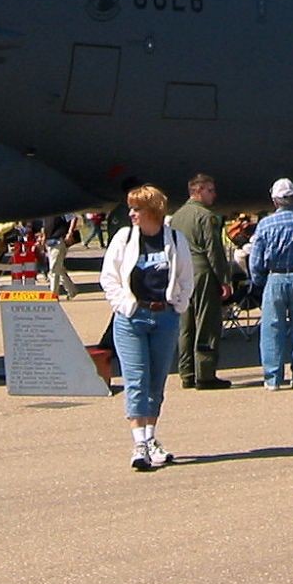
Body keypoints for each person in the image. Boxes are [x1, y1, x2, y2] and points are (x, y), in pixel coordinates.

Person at [100, 185, 193, 472]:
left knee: (156, 382)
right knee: (136, 379)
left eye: (137, 209)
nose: (131, 214)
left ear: (152, 211)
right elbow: (109, 277)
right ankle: (138, 443)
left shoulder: (175, 239)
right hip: (132, 318)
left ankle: (151, 438)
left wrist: (178, 304)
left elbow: (186, 277)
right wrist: (123, 305)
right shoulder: (124, 238)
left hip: (163, 317)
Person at [246, 178, 293, 390]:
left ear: (275, 201)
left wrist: (259, 280)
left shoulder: (265, 224)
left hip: (275, 277)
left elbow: (256, 259)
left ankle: (273, 378)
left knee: (272, 328)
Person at [169, 174, 233, 389]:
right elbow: (213, 250)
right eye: (210, 190)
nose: (214, 195)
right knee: (206, 323)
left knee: (185, 326)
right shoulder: (206, 216)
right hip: (202, 272)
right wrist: (224, 279)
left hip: (182, 273)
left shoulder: (177, 216)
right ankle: (205, 374)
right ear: (197, 191)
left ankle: (186, 372)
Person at [44, 213, 79, 300]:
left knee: (54, 269)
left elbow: (73, 217)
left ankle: (53, 294)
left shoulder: (61, 209)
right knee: (59, 269)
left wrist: (70, 233)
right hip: (49, 242)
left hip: (59, 241)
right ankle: (72, 290)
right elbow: (45, 227)